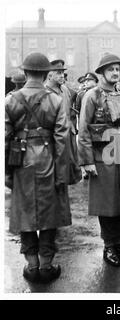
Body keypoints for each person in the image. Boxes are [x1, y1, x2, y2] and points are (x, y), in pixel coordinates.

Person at [5, 52, 70, 283]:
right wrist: (62, 173)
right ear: (45, 74)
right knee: (49, 213)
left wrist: (7, 173)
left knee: (25, 212)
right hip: (48, 159)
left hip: (20, 161)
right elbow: (62, 138)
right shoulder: (56, 100)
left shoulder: (10, 100)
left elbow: (4, 137)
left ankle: (31, 266)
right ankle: (47, 265)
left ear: (24, 73)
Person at [78, 53, 120, 267]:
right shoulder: (92, 96)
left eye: (118, 69)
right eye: (111, 69)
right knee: (107, 204)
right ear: (102, 72)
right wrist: (86, 162)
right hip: (102, 157)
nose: (116, 73)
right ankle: (109, 246)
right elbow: (84, 130)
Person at [46, 59, 82, 185]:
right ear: (49, 75)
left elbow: (69, 109)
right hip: (54, 136)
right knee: (56, 168)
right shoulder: (45, 92)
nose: (62, 76)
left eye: (62, 72)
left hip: (68, 133)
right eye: (58, 73)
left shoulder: (65, 90)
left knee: (69, 166)